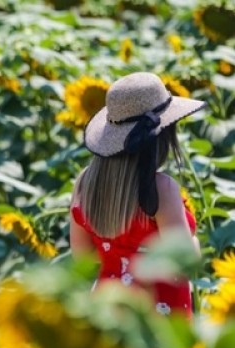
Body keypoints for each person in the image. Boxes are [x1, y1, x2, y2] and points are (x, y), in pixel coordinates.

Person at [69, 72, 206, 318]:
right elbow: (185, 260)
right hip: (160, 317)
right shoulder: (161, 190)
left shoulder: (84, 183)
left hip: (107, 310)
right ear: (164, 137)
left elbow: (83, 256)